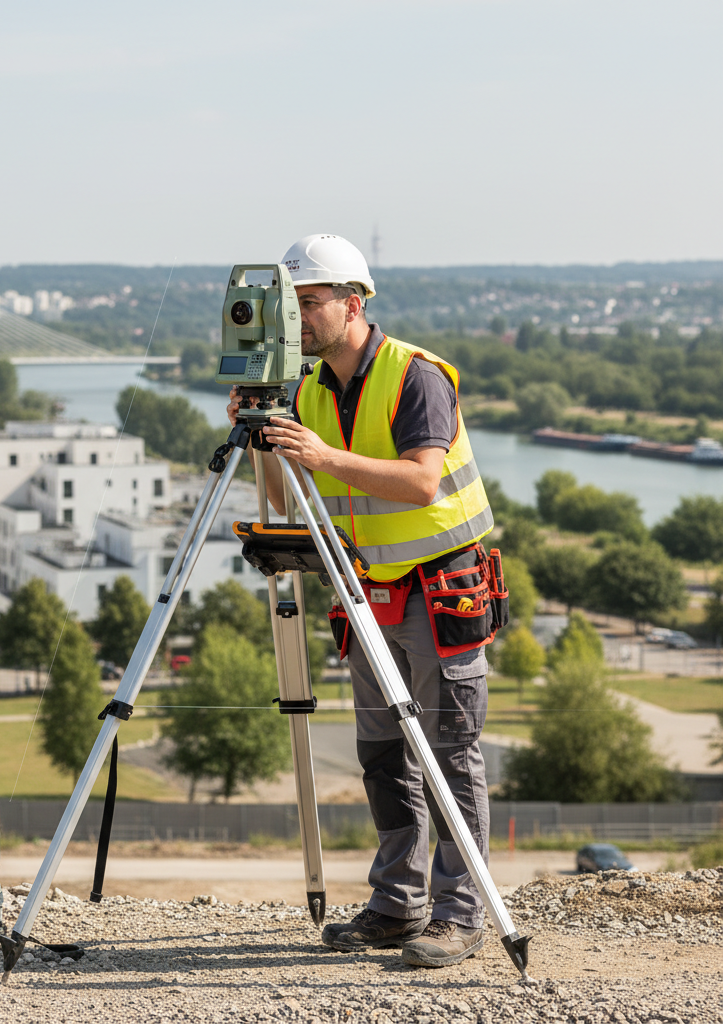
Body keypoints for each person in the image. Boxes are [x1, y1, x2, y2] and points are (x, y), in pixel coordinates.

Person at [227, 234, 496, 969]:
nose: (298, 320)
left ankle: (460, 914)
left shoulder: (415, 376)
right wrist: (258, 436)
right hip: (364, 596)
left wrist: (323, 455)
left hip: (437, 593)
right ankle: (397, 904)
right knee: (384, 756)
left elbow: (420, 482)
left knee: (448, 753)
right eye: (291, 306)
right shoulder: (308, 390)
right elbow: (287, 497)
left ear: (354, 302)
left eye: (309, 304)